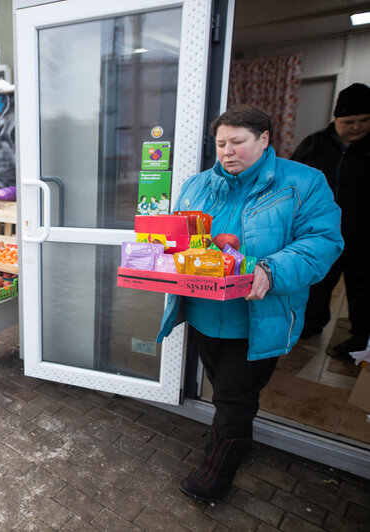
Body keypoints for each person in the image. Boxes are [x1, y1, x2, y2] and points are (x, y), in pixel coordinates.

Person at [156, 105, 343, 502]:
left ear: (264, 139)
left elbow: (323, 243)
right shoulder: (197, 185)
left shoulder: (304, 183)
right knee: (226, 389)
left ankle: (218, 471)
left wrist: (271, 270)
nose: (227, 151)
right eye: (221, 143)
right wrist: (161, 254)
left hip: (259, 317)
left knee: (233, 396)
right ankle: (233, 438)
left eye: (238, 142)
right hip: (205, 313)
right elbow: (181, 239)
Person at [291, 83, 370, 358]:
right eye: (349, 121)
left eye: (364, 120)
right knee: (317, 280)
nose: (357, 127)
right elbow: (292, 183)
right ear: (336, 118)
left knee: (362, 287)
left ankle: (361, 337)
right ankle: (310, 325)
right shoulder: (314, 144)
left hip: (363, 233)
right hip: (320, 231)